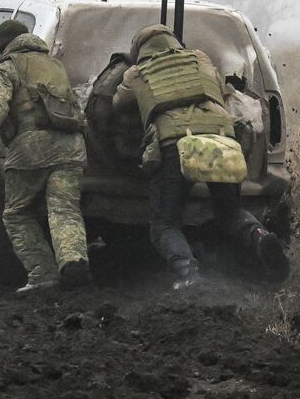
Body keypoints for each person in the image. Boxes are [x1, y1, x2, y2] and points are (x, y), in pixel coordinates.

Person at [111, 24, 288, 289]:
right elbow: (220, 87)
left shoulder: (137, 73)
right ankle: (260, 236)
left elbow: (117, 103)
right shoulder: (201, 58)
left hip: (175, 144)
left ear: (139, 49)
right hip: (222, 140)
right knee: (229, 212)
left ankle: (189, 274)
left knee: (164, 224)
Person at [0, 19, 91, 295]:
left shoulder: (7, 68)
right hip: (71, 147)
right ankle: (73, 261)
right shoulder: (55, 65)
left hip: (32, 149)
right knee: (64, 208)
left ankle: (43, 274)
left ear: (3, 47)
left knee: (16, 213)